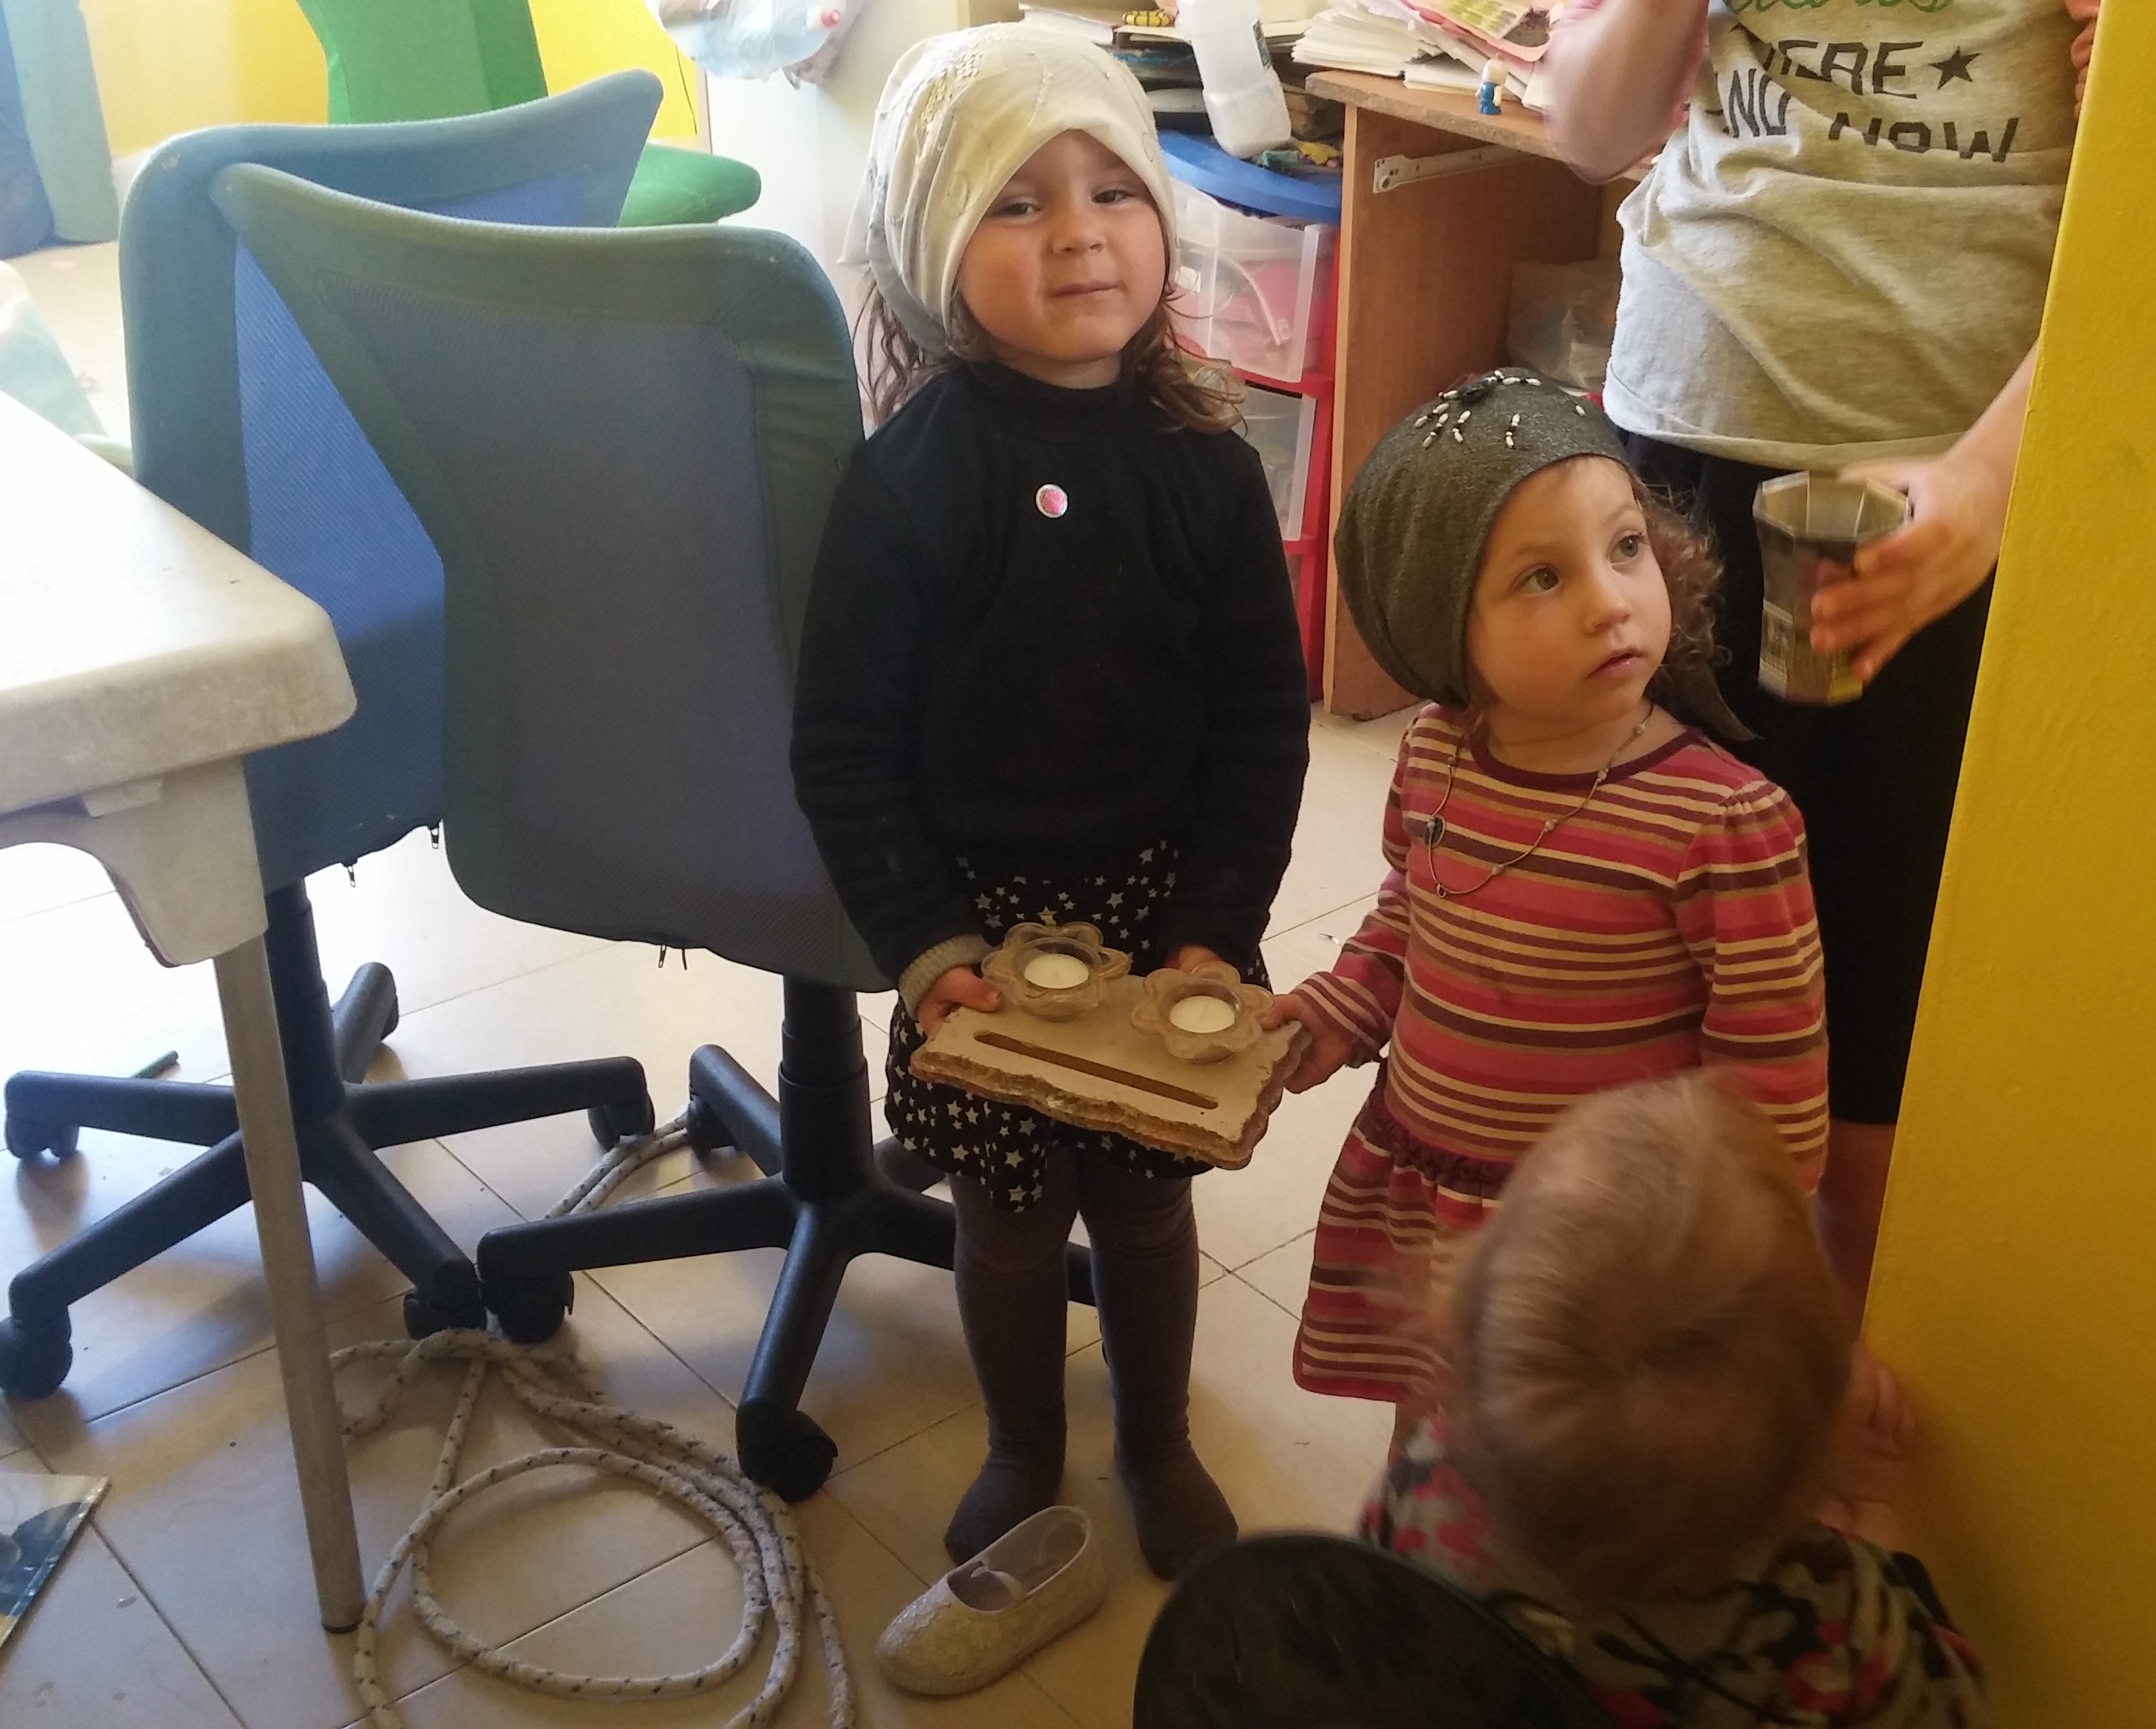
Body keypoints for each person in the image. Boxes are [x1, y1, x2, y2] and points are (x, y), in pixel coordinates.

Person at [793, 23, 1311, 1580]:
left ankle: (1155, 1434)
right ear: (937, 255)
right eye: (1016, 203)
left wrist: (1217, 923)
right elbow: (844, 748)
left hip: (1164, 917)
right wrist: (925, 942)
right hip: (977, 929)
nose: (1079, 233)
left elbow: (1260, 726)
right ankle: (1023, 1442)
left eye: (1112, 190)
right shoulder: (904, 482)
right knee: (1009, 1222)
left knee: (1146, 1210)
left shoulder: (1208, 467)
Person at [1546, 0, 2087, 1318]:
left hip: (1946, 488)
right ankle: (1634, 1360)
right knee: (1635, 957)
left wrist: (1992, 479)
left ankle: (1824, 1380)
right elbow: (1588, 126)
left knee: (1878, 1020)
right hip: (1689, 425)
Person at [1269, 368, 1827, 1433]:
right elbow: (1412, 910)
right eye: (1541, 577)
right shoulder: (1434, 752)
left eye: (1625, 548)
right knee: (1438, 1435)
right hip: (1437, 1196)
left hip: (1600, 1257)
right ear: (1442, 628)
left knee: (1568, 1470)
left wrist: (1732, 1265)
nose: (1610, 601)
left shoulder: (1724, 823)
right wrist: (1345, 1006)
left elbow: (1774, 1099)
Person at [1364, 1074, 1987, 1728]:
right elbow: (1947, 1706)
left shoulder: (1423, 1488)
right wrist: (1876, 1511)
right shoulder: (1828, 1621)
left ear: (1470, 1329)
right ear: (1805, 1456)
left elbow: (1362, 1635)